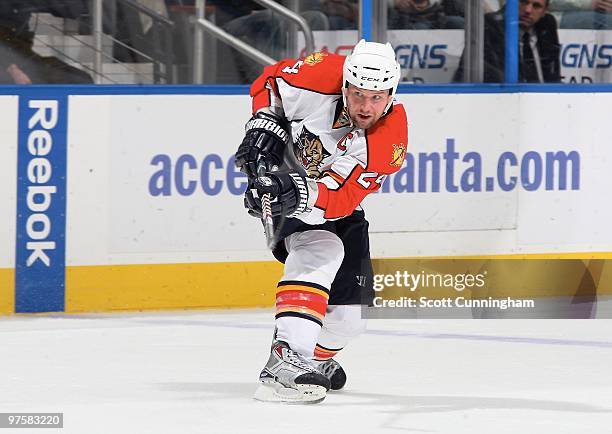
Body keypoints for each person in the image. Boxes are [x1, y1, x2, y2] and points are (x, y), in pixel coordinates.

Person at [235, 40, 408, 404]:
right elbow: (269, 82)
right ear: (344, 83)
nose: (365, 106)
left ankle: (312, 359)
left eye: (377, 97)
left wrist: (294, 188)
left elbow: (340, 199)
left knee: (349, 321)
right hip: (288, 185)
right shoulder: (320, 74)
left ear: (391, 93)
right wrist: (264, 123)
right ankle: (285, 360)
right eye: (358, 94)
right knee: (321, 247)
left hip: (335, 203)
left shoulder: (389, 139)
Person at [453, 0, 561, 83]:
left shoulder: (547, 25)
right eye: (523, 2)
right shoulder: (490, 26)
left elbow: (553, 75)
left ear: (544, 11)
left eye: (536, 6)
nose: (528, 10)